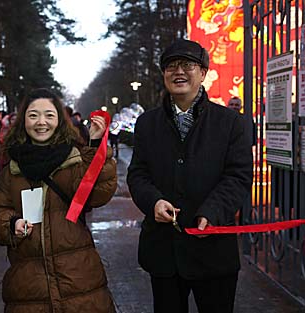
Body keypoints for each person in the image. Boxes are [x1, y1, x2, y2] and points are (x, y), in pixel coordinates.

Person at [127, 39, 253, 313]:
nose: (178, 71)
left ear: (203, 73)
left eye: (187, 65)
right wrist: (154, 202)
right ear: (164, 75)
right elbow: (138, 174)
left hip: (213, 248)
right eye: (171, 66)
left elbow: (239, 175)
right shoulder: (147, 123)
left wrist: (213, 210)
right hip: (164, 251)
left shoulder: (230, 123)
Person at [0, 88, 117, 312]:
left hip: (79, 281)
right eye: (33, 115)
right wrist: (11, 223)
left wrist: (95, 148)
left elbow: (99, 193)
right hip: (28, 287)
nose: (41, 122)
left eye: (49, 115)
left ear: (60, 120)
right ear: (23, 120)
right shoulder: (12, 170)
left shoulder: (75, 159)